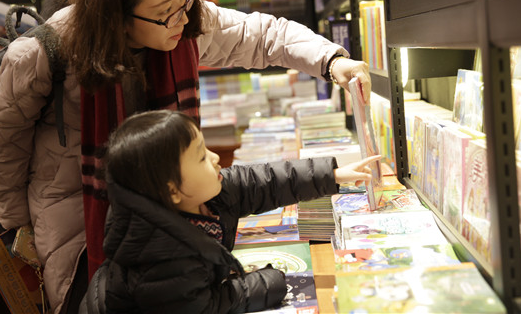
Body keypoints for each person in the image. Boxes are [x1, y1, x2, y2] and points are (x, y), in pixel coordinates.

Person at [0, 0, 370, 313]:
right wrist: (23, 234)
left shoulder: (186, 21)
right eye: (163, 12)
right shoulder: (44, 54)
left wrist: (330, 60)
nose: (181, 17)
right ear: (117, 15)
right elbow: (0, 147)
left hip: (170, 221)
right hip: (82, 229)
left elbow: (262, 35)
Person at [79, 110, 382, 313]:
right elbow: (209, 307)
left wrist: (332, 174)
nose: (214, 158)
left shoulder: (203, 194)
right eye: (200, 156)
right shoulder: (163, 259)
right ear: (172, 190)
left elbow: (262, 181)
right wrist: (272, 282)